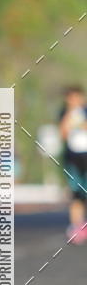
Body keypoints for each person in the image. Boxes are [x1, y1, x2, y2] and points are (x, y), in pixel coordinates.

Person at [58, 86, 87, 244]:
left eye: (77, 97)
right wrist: (69, 116)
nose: (74, 101)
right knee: (76, 193)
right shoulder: (64, 113)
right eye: (71, 98)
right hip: (73, 158)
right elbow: (62, 133)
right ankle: (77, 226)